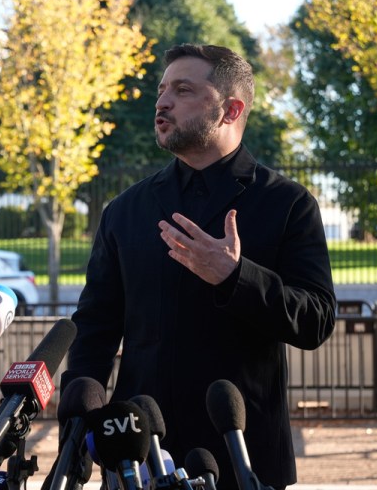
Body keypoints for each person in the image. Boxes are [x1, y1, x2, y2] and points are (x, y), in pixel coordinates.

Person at [60, 43, 336, 490]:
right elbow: (94, 330)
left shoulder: (288, 204)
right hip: (138, 459)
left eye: (183, 90)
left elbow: (316, 320)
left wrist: (235, 275)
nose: (162, 101)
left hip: (244, 459)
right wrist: (75, 437)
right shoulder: (126, 211)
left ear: (230, 110)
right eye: (162, 89)